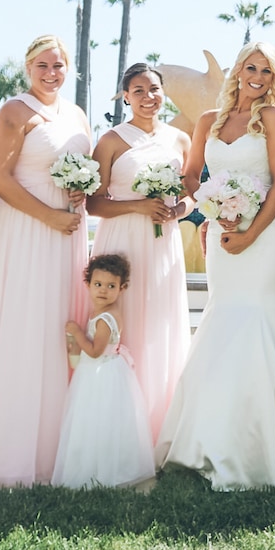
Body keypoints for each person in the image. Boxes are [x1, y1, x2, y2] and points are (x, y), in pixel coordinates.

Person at [157, 41, 275, 490]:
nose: (258, 77)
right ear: (237, 70)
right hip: (222, 235)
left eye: (267, 72)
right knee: (225, 318)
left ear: (274, 80)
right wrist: (207, 205)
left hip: (266, 235)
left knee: (266, 316)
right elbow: (192, 177)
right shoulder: (207, 122)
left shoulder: (271, 118)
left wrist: (249, 231)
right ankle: (214, 439)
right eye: (252, 68)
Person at [0, 35, 94, 486]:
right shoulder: (15, 111)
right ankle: (10, 452)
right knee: (22, 326)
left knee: (58, 325)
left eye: (59, 65)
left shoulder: (75, 115)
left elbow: (82, 168)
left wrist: (78, 193)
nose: (51, 73)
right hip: (25, 231)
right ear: (28, 67)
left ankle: (58, 445)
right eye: (42, 65)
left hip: (66, 232)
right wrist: (48, 215)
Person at [88, 62, 194, 431]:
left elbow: (190, 195)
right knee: (125, 321)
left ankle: (159, 421)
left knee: (159, 323)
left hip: (163, 243)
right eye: (138, 91)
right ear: (126, 96)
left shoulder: (180, 139)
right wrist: (137, 205)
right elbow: (93, 203)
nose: (148, 97)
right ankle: (116, 424)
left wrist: (178, 209)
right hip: (123, 241)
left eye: (154, 89)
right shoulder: (112, 140)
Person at [52, 254, 157, 489]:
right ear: (88, 284)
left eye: (111, 286)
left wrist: (77, 333)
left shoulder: (105, 318)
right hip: (102, 371)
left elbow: (96, 351)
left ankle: (102, 470)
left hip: (103, 372)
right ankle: (96, 464)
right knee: (96, 421)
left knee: (99, 420)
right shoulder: (103, 311)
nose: (103, 291)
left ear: (122, 288)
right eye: (98, 285)